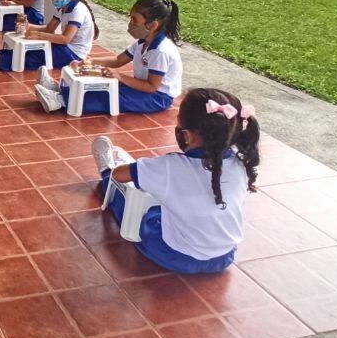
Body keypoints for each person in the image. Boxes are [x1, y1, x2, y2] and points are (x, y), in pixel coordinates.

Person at [92, 87, 260, 273]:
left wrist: (115, 170)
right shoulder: (241, 162)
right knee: (167, 206)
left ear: (186, 135)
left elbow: (120, 175)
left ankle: (105, 167)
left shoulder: (170, 165)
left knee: (129, 202)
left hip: (176, 255)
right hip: (224, 256)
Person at [37, 0, 182, 114]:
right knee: (102, 85)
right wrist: (89, 62)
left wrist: (119, 76)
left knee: (110, 96)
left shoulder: (160, 51)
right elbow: (118, 60)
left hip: (157, 98)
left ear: (152, 25)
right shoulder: (142, 42)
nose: (130, 23)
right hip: (141, 88)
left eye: (134, 20)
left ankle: (60, 101)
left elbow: (152, 87)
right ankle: (60, 90)